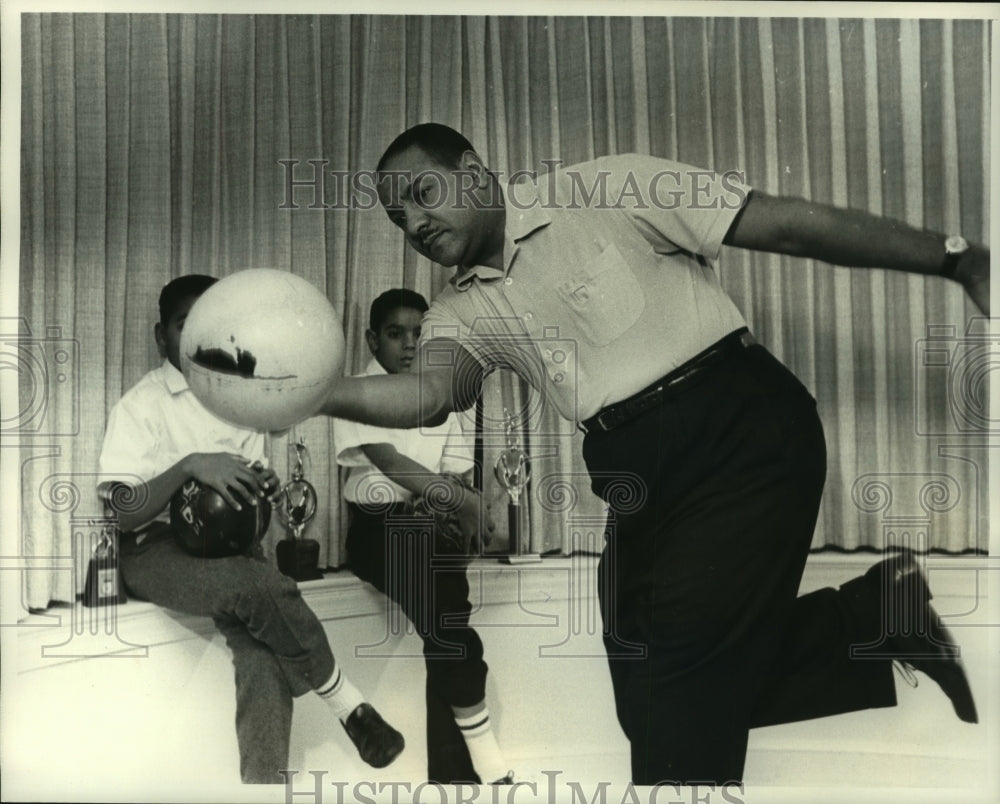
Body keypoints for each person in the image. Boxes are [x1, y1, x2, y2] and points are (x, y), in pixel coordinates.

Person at [320, 123, 988, 785]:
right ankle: (878, 617)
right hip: (633, 475)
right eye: (397, 215)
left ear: (470, 168)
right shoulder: (458, 312)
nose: (414, 221)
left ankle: (871, 620)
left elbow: (786, 224)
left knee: (680, 704)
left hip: (737, 431)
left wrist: (955, 258)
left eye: (422, 192)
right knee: (651, 699)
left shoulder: (607, 186)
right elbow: (429, 394)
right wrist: (318, 391)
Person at [97, 274, 405, 784]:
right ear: (160, 337)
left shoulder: (242, 399)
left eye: (210, 325)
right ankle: (350, 706)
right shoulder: (142, 405)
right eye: (182, 325)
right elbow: (120, 513)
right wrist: (191, 466)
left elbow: (250, 499)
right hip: (155, 549)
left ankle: (263, 787)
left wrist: (262, 487)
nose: (198, 337)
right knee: (258, 585)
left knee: (262, 650)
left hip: (234, 551)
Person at [333, 288, 512, 785]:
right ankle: (480, 758)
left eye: (420, 334)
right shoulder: (357, 392)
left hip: (428, 525)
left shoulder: (445, 393)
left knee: (443, 624)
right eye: (395, 334)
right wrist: (459, 501)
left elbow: (452, 477)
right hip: (377, 530)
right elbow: (389, 462)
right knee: (447, 608)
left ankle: (455, 779)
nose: (410, 345)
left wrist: (465, 507)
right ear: (372, 339)